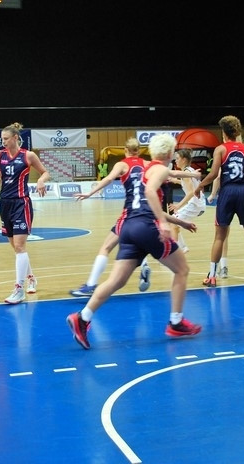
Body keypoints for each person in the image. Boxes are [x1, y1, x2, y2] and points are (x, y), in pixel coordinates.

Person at [66, 133, 202, 349]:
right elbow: (149, 193)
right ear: (169, 153)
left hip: (128, 227)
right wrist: (163, 223)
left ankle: (82, 318)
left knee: (116, 281)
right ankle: (176, 322)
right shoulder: (158, 168)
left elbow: (146, 201)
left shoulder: (144, 169)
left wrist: (180, 222)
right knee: (182, 269)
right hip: (147, 227)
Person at [195, 115, 244, 288]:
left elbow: (214, 174)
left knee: (219, 237)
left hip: (228, 192)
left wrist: (200, 185)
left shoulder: (220, 150)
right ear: (237, 132)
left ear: (224, 133)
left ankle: (212, 276)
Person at [70, 138, 152, 297]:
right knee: (140, 245)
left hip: (130, 213)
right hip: (147, 211)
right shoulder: (148, 165)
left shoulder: (122, 164)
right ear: (139, 150)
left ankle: (91, 285)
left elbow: (108, 179)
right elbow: (167, 174)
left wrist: (90, 192)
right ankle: (144, 266)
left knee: (106, 248)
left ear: (125, 150)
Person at [0, 123, 50, 304]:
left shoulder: (28, 155)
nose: (2, 141)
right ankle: (31, 277)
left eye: (5, 138)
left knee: (20, 247)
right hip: (5, 204)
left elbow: (45, 172)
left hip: (22, 203)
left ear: (15, 138)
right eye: (2, 138)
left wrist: (41, 181)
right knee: (16, 248)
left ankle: (18, 289)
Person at [169, 148, 206, 253]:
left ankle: (175, 252)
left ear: (184, 160)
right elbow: (185, 183)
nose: (175, 161)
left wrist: (178, 206)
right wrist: (174, 180)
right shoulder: (189, 170)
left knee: (172, 222)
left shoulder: (186, 172)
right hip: (198, 203)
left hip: (195, 204)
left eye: (177, 158)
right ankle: (183, 247)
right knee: (174, 222)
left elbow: (190, 192)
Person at [206, 174, 230, 278]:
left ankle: (219, 269)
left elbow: (218, 177)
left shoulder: (224, 158)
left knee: (221, 235)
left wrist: (212, 194)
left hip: (226, 196)